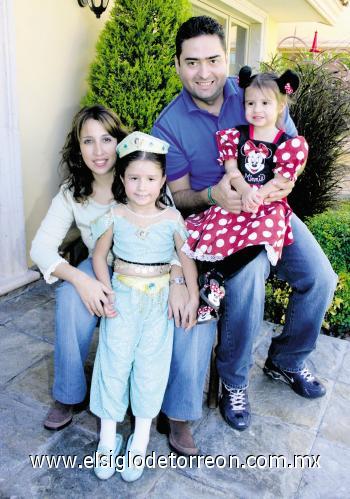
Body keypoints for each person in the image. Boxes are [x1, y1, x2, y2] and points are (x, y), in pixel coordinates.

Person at [152, 15, 337, 453]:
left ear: (226, 57)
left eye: (213, 59)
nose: (204, 72)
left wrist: (276, 188)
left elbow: (291, 155)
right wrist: (214, 193)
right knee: (248, 278)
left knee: (320, 277)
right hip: (216, 222)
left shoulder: (253, 91)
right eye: (192, 62)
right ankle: (234, 381)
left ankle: (286, 360)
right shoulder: (169, 124)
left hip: (270, 210)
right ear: (178, 65)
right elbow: (179, 197)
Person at [30, 106, 187, 431]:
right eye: (88, 141)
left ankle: (164, 408)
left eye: (106, 139)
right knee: (71, 297)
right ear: (78, 148)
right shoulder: (72, 194)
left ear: (120, 141)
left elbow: (174, 237)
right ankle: (68, 393)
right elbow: (40, 249)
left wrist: (176, 278)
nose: (99, 150)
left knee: (175, 314)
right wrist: (80, 280)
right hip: (101, 266)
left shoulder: (141, 176)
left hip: (153, 272)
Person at [90, 131, 199, 482]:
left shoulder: (170, 219)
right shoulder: (116, 214)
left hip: (157, 306)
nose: (141, 187)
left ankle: (139, 440)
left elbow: (187, 259)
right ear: (122, 178)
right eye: (134, 178)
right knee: (114, 362)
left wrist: (192, 293)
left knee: (150, 367)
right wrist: (105, 289)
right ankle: (108, 439)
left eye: (150, 179)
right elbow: (99, 255)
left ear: (163, 180)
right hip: (122, 299)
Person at [182, 66, 309, 321]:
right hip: (238, 202)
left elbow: (281, 179)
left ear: (281, 105)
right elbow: (231, 170)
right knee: (216, 232)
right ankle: (209, 292)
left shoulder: (288, 144)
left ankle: (217, 276)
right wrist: (245, 191)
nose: (257, 109)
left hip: (267, 207)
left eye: (265, 103)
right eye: (250, 103)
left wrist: (259, 195)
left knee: (261, 239)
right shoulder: (236, 135)